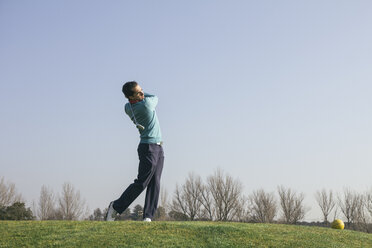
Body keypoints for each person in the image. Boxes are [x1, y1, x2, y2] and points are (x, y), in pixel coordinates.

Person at [105, 81, 164, 222]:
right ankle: (116, 207)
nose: (143, 93)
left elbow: (138, 98)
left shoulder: (128, 107)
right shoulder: (146, 105)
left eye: (142, 90)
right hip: (149, 148)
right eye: (139, 92)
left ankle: (148, 216)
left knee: (155, 182)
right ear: (132, 97)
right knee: (142, 182)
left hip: (158, 147)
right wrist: (145, 93)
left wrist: (139, 93)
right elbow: (155, 96)